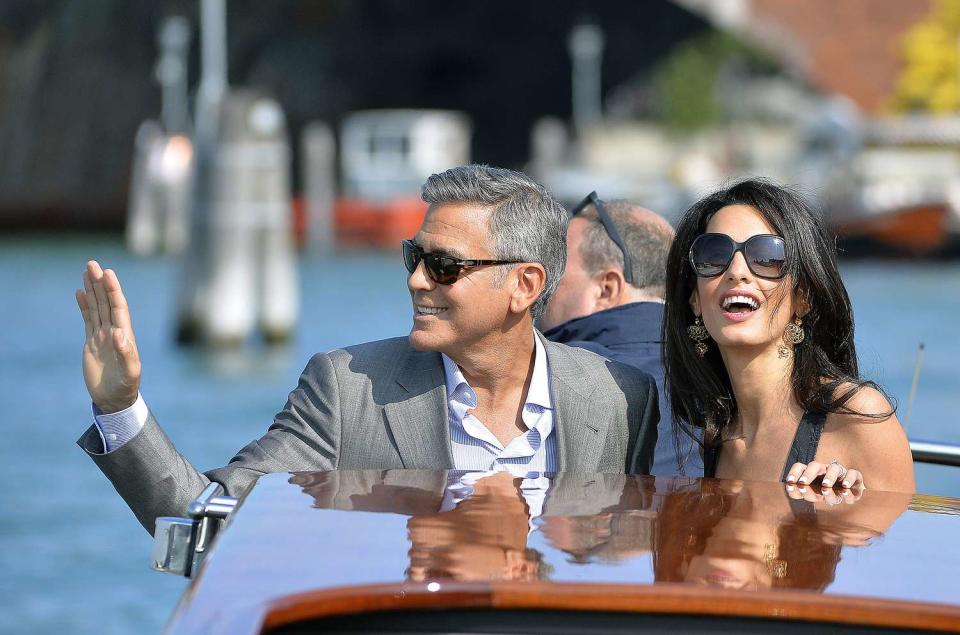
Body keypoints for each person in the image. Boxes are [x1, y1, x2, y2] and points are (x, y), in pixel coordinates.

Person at [76, 165, 660, 533]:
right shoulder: (347, 388)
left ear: (525, 285)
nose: (416, 280)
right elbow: (203, 520)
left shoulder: (618, 397)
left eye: (444, 266)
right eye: (415, 257)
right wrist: (121, 409)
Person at [662, 178, 915, 492]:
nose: (736, 271)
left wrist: (845, 511)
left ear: (803, 298)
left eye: (767, 256)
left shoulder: (857, 418)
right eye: (714, 255)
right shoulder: (707, 439)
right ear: (695, 300)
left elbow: (904, 539)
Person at [538, 192, 695, 475]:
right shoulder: (719, 376)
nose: (541, 285)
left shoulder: (545, 375)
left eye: (556, 268)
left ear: (606, 288)